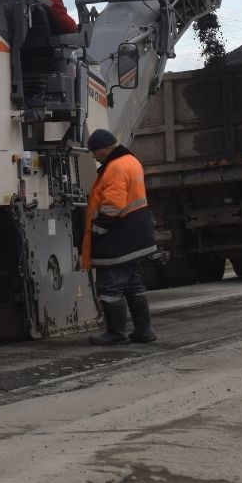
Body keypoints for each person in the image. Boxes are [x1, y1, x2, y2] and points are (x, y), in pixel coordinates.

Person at [81, 128, 157, 345]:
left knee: (110, 287)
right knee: (133, 284)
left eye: (95, 151)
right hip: (135, 236)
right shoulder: (132, 161)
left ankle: (116, 333)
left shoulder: (115, 167)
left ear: (106, 148)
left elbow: (113, 205)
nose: (94, 156)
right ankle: (144, 331)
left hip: (118, 239)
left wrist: (98, 230)